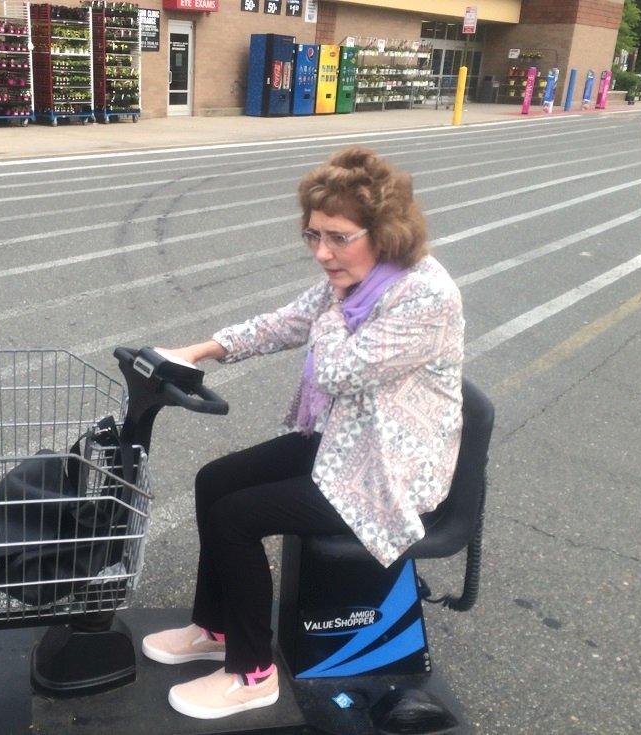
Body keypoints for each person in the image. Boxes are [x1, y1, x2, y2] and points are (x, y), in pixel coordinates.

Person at [142, 146, 465, 720]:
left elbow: (338, 369)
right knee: (214, 481)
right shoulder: (357, 280)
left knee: (236, 517)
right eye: (313, 235)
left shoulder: (425, 295)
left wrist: (331, 310)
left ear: (385, 232)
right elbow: (289, 320)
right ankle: (216, 628)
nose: (322, 252)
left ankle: (251, 674)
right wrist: (203, 350)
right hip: (345, 442)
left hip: (387, 471)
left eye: (338, 237)